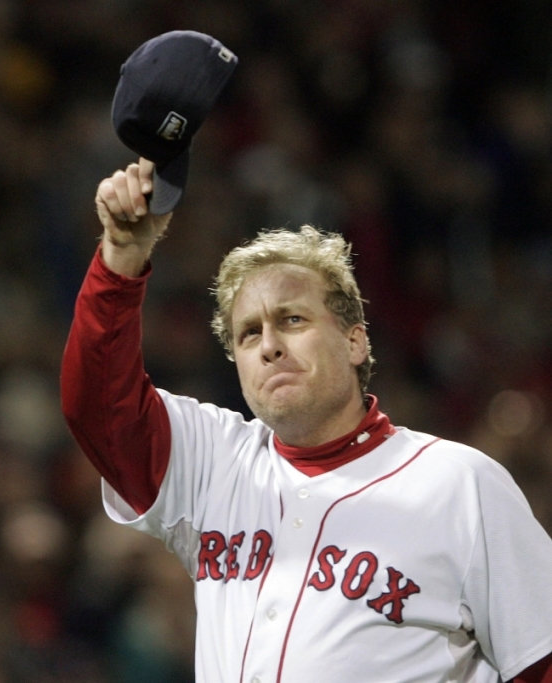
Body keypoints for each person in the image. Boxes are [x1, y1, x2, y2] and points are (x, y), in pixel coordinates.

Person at [60, 158, 552, 683]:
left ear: (355, 340)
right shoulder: (214, 462)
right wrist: (121, 260)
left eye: (292, 320)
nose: (269, 345)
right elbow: (99, 408)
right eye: (249, 334)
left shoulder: (461, 484)